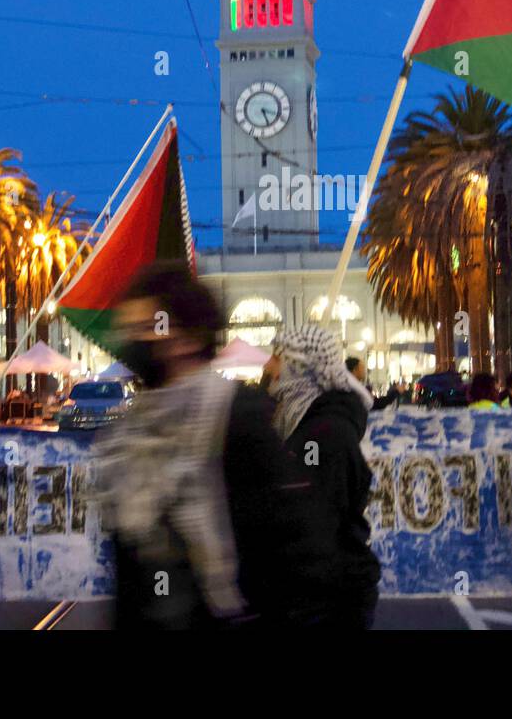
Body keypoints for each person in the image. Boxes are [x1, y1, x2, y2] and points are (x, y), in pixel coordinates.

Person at [94, 262, 324, 629]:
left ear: (190, 336)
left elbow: (295, 552)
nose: (138, 340)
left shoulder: (238, 417)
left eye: (150, 327)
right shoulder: (127, 431)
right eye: (131, 328)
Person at [270, 324, 381, 628]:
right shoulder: (306, 424)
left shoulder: (323, 435)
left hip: (329, 602)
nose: (268, 365)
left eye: (277, 358)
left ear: (299, 369)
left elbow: (319, 524)